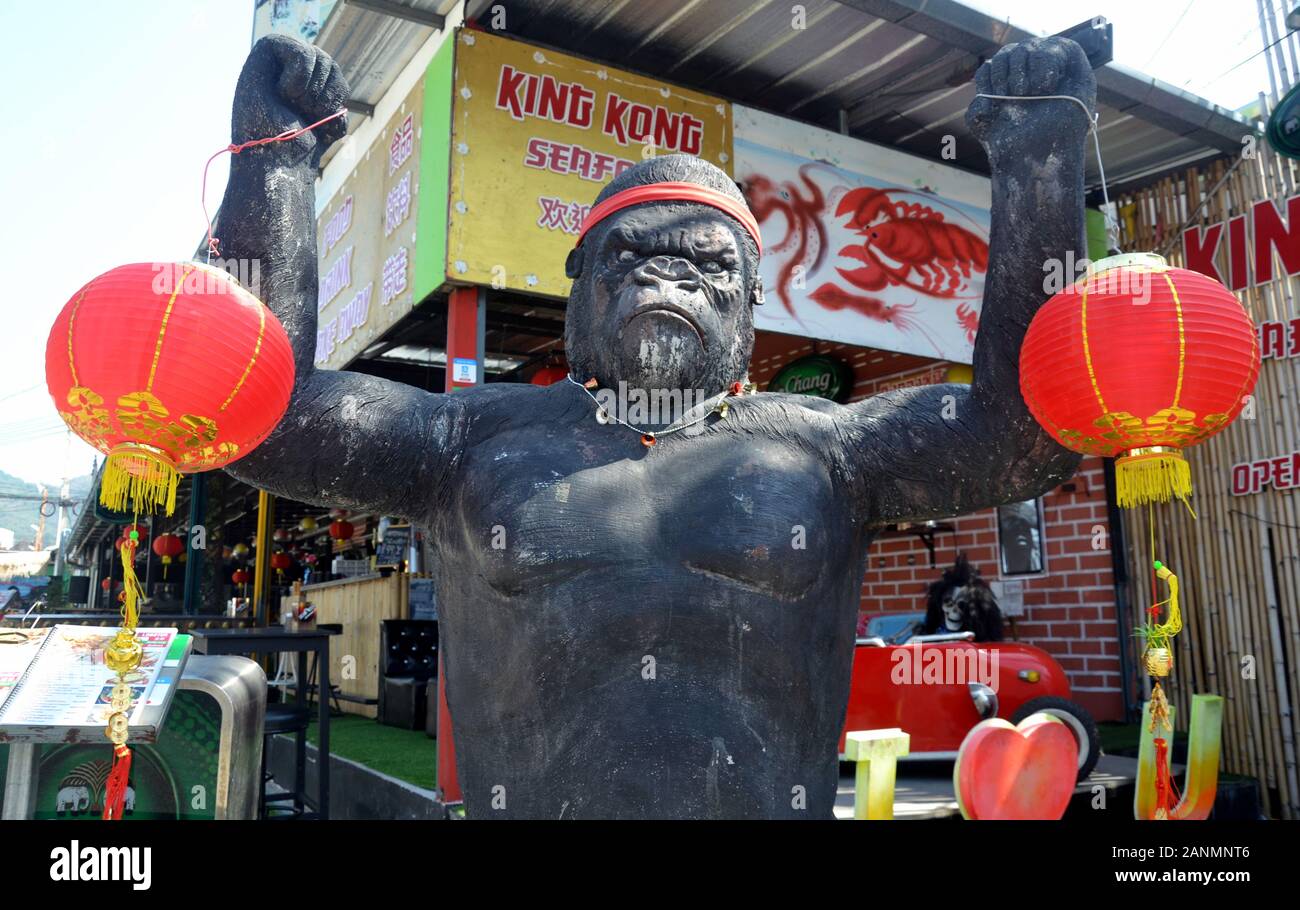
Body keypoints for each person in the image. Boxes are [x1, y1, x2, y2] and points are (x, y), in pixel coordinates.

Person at [217, 35, 1094, 818]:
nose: (667, 278)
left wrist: (1037, 166)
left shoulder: (826, 447)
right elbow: (267, 414)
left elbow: (1019, 431)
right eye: (631, 257)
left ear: (752, 304)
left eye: (707, 266)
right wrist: (277, 163)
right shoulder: (469, 439)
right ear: (577, 279)